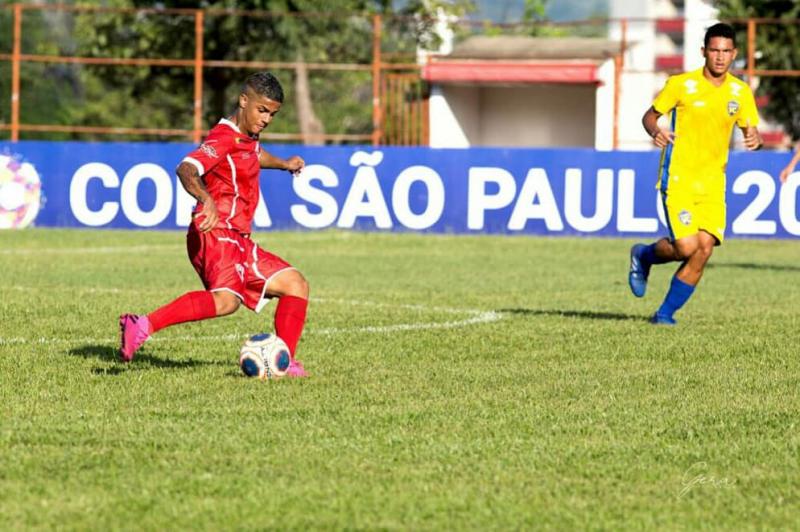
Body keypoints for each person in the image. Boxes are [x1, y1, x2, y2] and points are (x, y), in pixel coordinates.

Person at [119, 72, 310, 377]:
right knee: (226, 301)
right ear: (243, 100)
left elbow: (254, 154)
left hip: (238, 237)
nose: (266, 119)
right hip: (215, 230)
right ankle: (140, 326)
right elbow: (186, 168)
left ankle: (284, 363)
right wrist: (205, 198)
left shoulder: (247, 137)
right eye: (262, 110)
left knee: (295, 284)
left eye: (272, 114)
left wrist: (284, 164)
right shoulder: (224, 136)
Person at [628, 23, 763, 325]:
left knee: (703, 249)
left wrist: (756, 139)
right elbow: (650, 116)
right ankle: (644, 255)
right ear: (703, 51)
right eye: (714, 50)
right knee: (687, 246)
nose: (719, 57)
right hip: (678, 178)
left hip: (714, 183)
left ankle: (664, 315)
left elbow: (751, 130)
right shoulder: (681, 84)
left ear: (734, 54)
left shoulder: (740, 92)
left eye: (726, 51)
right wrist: (655, 130)